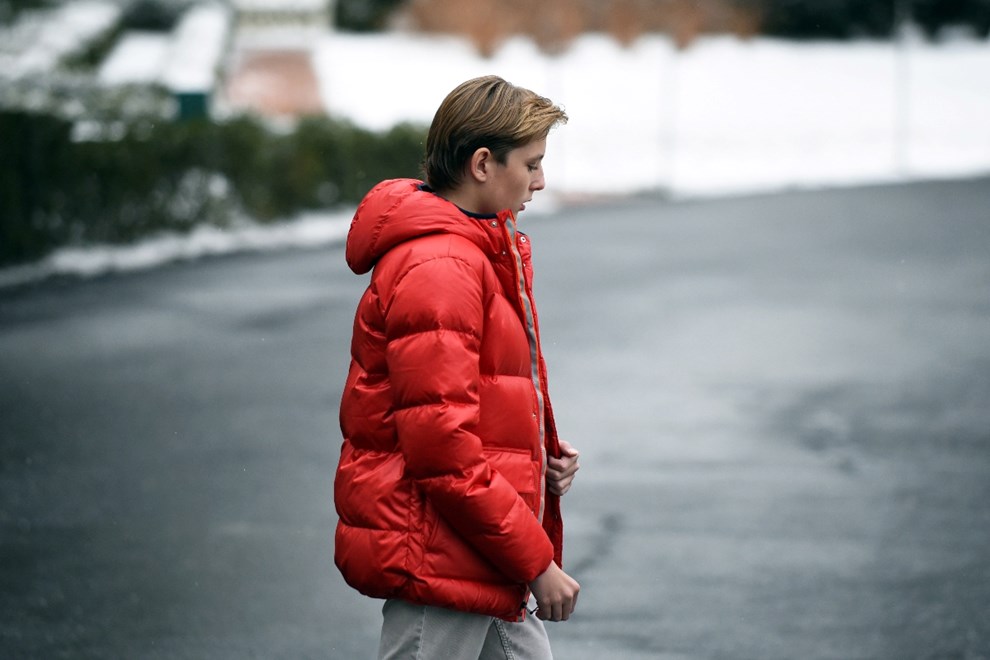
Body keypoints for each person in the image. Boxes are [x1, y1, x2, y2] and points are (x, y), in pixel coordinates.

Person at [334, 75, 581, 660]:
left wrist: (534, 456)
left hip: (479, 547)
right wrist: (537, 562)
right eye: (532, 163)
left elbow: (470, 408)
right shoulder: (441, 266)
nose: (540, 181)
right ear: (482, 164)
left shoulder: (472, 251)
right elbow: (443, 449)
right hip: (438, 554)